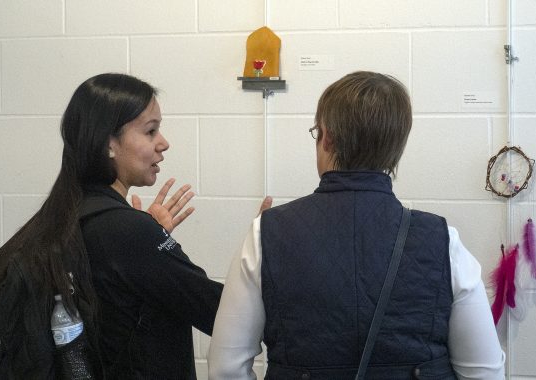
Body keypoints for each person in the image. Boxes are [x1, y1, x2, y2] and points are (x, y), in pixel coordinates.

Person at [208, 71, 506, 379]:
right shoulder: (443, 241)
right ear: (397, 147)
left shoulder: (266, 234)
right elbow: (485, 372)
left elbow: (226, 368)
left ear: (327, 136)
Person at [0, 73, 240, 379]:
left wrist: (149, 237)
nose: (164, 143)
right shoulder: (126, 232)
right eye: (151, 131)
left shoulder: (64, 217)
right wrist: (258, 257)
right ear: (109, 143)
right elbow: (220, 312)